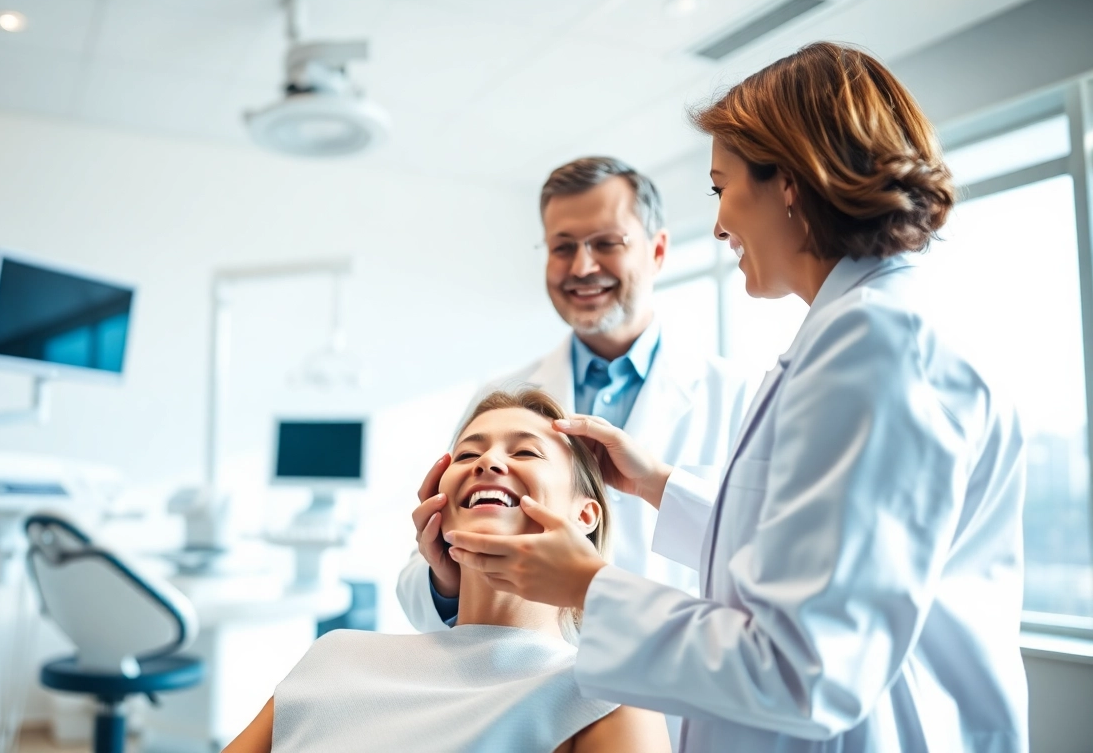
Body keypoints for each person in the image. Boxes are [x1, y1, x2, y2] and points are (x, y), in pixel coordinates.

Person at [444, 42, 1028, 752]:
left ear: (788, 180)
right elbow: (804, 552)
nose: (718, 224)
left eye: (721, 188)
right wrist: (661, 485)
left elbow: (805, 672)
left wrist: (590, 588)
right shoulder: (848, 337)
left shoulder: (875, 345)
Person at [398, 157, 754, 634]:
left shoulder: (737, 398)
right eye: (562, 247)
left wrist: (664, 489)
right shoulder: (502, 401)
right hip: (528, 690)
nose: (582, 267)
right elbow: (421, 581)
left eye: (606, 243)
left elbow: (769, 560)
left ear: (658, 251)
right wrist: (447, 580)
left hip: (674, 691)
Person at [222, 389, 672, 753]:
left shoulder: (605, 698)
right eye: (466, 455)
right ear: (439, 504)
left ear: (586, 515)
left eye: (526, 452)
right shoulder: (335, 656)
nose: (487, 463)